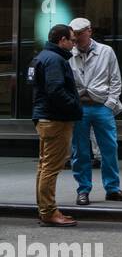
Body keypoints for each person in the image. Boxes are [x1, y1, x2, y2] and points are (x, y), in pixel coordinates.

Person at [67, 17, 122, 206]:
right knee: (80, 151)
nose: (77, 38)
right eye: (74, 34)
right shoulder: (68, 54)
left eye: (80, 34)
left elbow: (116, 79)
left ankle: (112, 188)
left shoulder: (106, 51)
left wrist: (110, 104)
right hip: (79, 107)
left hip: (101, 106)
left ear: (90, 31)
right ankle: (83, 189)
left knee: (109, 149)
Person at [31, 24, 82, 227]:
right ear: (62, 40)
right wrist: (76, 109)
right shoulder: (54, 60)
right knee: (51, 168)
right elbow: (55, 90)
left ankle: (45, 210)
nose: (74, 43)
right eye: (72, 39)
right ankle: (49, 212)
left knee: (44, 167)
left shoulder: (43, 56)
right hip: (55, 119)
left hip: (46, 118)